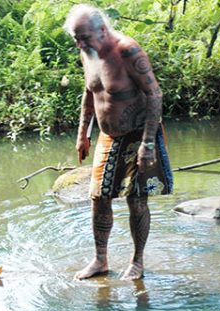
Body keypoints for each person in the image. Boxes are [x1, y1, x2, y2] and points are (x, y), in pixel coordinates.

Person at [64, 4, 173, 281]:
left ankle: (137, 262)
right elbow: (89, 92)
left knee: (136, 201)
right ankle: (100, 260)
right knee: (98, 198)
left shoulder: (128, 51)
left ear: (102, 30)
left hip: (138, 134)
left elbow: (155, 95)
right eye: (76, 38)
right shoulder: (86, 51)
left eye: (84, 37)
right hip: (108, 136)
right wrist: (82, 133)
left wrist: (148, 143)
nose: (80, 43)